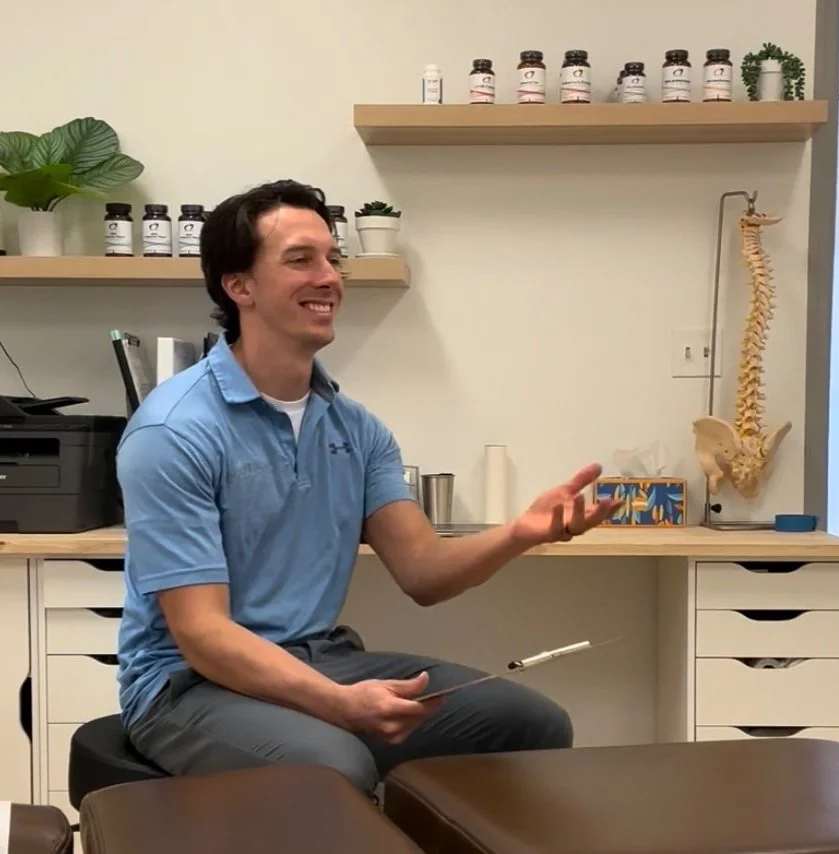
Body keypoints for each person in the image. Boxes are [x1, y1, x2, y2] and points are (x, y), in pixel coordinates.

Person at [115, 179, 621, 796]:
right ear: (238, 285)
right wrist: (337, 703)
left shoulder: (355, 428)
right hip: (186, 686)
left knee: (532, 723)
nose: (329, 277)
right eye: (301, 260)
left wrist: (518, 534)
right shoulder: (174, 430)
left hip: (323, 656)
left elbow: (424, 573)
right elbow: (204, 636)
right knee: (337, 766)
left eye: (333, 258)